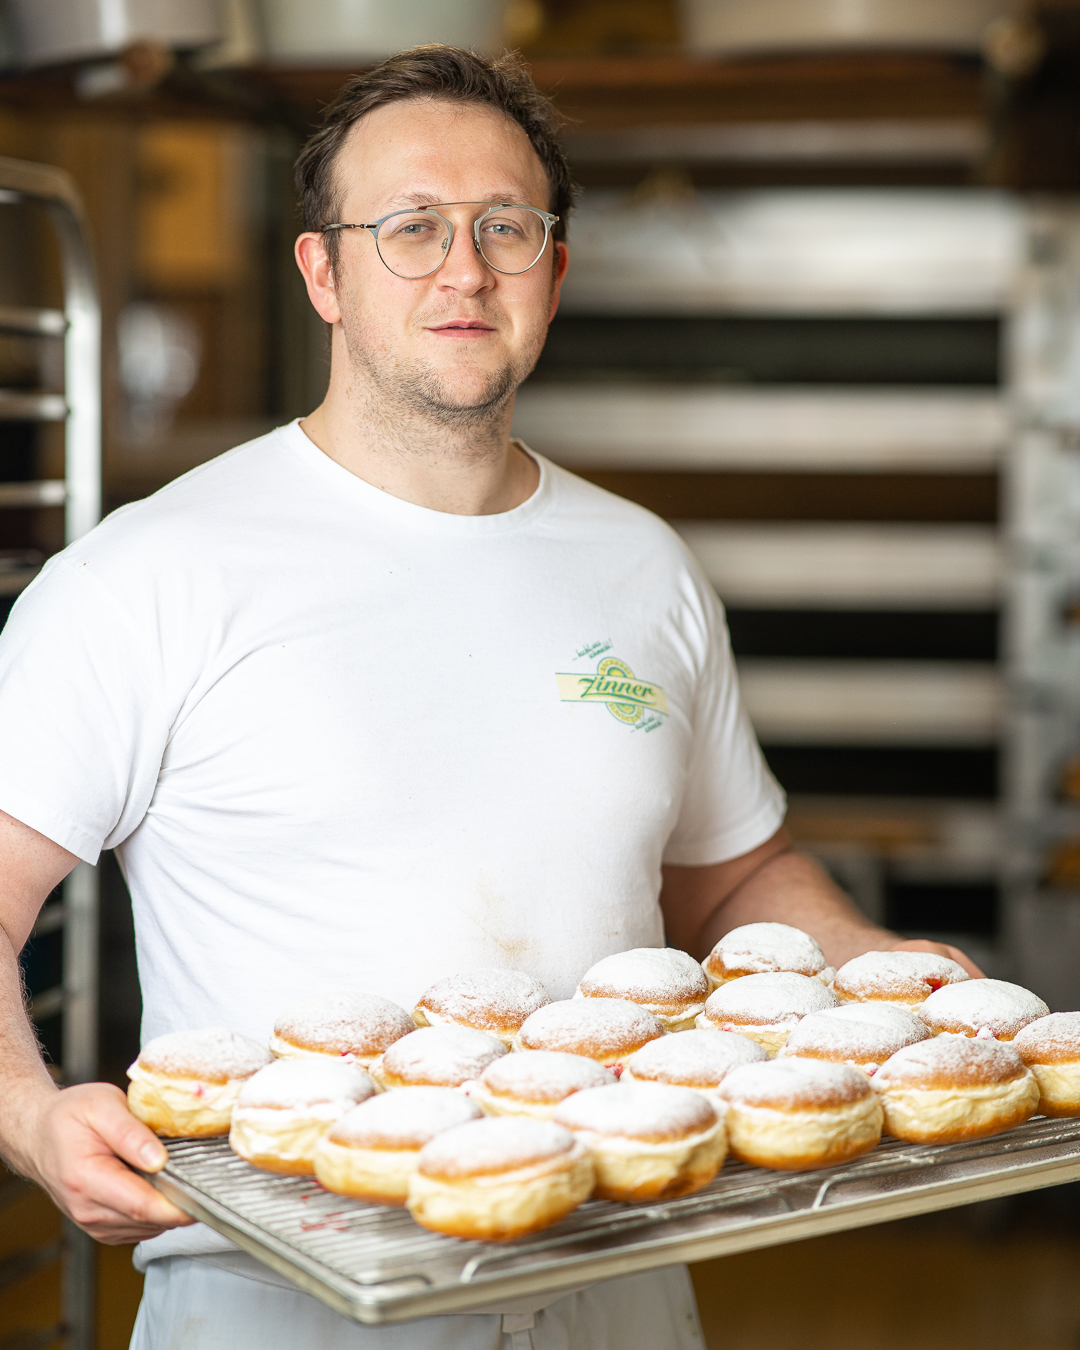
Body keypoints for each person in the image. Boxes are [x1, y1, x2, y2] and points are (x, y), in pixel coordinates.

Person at [0, 46, 979, 1350]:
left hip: (622, 1280)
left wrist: (873, 962)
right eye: (409, 227)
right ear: (322, 275)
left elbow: (732, 876)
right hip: (292, 1299)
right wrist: (32, 1117)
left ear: (554, 273)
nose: (463, 270)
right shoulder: (150, 575)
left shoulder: (643, 565)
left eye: (505, 227)